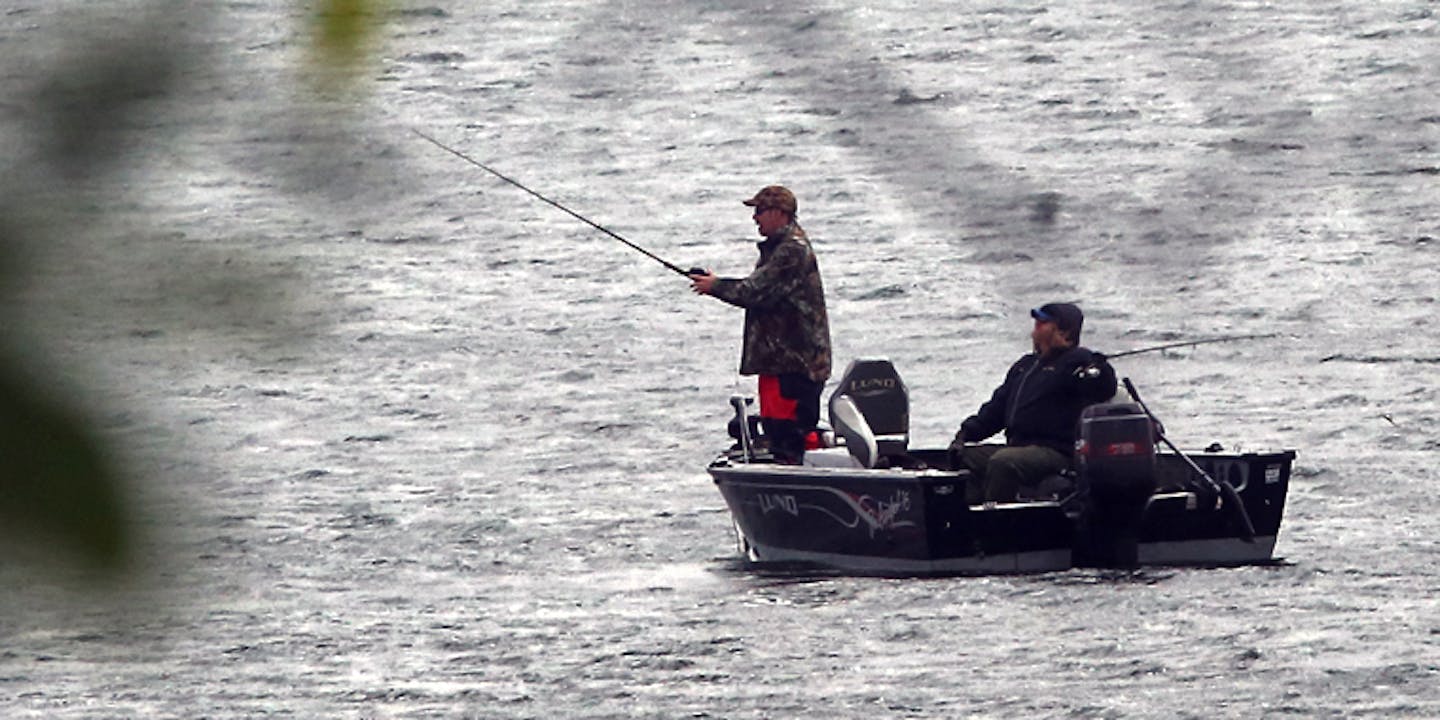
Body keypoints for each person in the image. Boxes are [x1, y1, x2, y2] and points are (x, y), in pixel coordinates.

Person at [690, 185, 831, 464]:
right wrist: (716, 282)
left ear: (779, 213)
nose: (755, 218)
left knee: (787, 435)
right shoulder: (780, 248)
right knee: (776, 429)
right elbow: (761, 288)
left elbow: (755, 292)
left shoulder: (792, 250)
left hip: (794, 364)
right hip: (779, 362)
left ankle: (794, 486)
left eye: (759, 211)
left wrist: (715, 286)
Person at [949, 302, 1116, 503]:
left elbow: (1104, 388)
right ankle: (969, 519)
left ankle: (998, 524)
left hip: (1057, 451)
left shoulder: (1077, 363)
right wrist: (967, 432)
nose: (1034, 330)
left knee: (1004, 463)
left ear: (1063, 332)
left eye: (1042, 324)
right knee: (967, 458)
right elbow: (996, 409)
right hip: (1019, 446)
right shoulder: (1025, 366)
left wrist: (1097, 366)